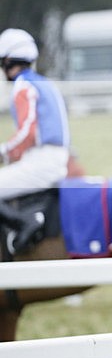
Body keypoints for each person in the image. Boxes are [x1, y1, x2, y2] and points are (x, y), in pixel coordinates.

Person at [0, 28, 70, 254]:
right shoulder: (45, 83)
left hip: (41, 162)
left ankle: (25, 223)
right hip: (56, 159)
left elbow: (27, 133)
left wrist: (4, 152)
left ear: (8, 61)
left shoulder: (23, 85)